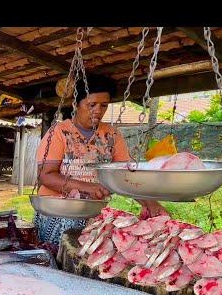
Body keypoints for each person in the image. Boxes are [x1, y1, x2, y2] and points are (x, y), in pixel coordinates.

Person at [35, 75, 169, 246]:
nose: (98, 110)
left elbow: (125, 176)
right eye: (91, 105)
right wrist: (88, 187)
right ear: (76, 104)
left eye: (103, 105)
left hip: (93, 215)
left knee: (86, 264)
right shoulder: (59, 133)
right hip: (57, 214)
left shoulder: (112, 135)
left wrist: (151, 203)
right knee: (57, 262)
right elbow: (46, 176)